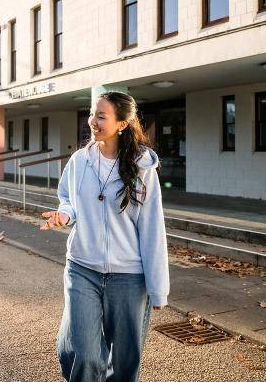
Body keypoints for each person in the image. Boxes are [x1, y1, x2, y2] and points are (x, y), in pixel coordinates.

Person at [41, 91, 169, 382]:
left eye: (101, 116)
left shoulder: (142, 168)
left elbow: (152, 229)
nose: (92, 121)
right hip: (82, 268)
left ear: (122, 124)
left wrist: (158, 287)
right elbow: (68, 198)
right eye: (92, 114)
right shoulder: (79, 161)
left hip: (129, 277)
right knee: (84, 354)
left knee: (125, 361)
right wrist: (65, 215)